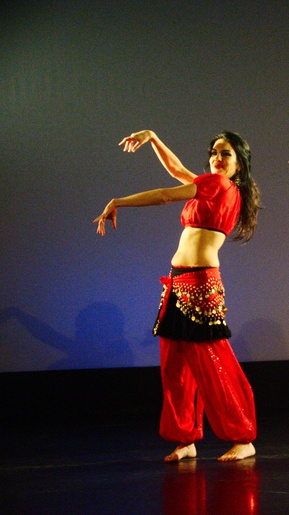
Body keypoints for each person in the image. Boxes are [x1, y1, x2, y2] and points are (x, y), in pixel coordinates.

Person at [94, 129, 261, 461]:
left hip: (199, 283)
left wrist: (118, 202)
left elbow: (164, 195)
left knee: (212, 362)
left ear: (239, 164)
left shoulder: (220, 184)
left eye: (226, 153)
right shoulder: (209, 184)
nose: (217, 158)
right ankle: (185, 439)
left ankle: (243, 437)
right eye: (214, 152)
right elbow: (177, 171)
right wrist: (154, 139)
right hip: (177, 281)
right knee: (175, 365)